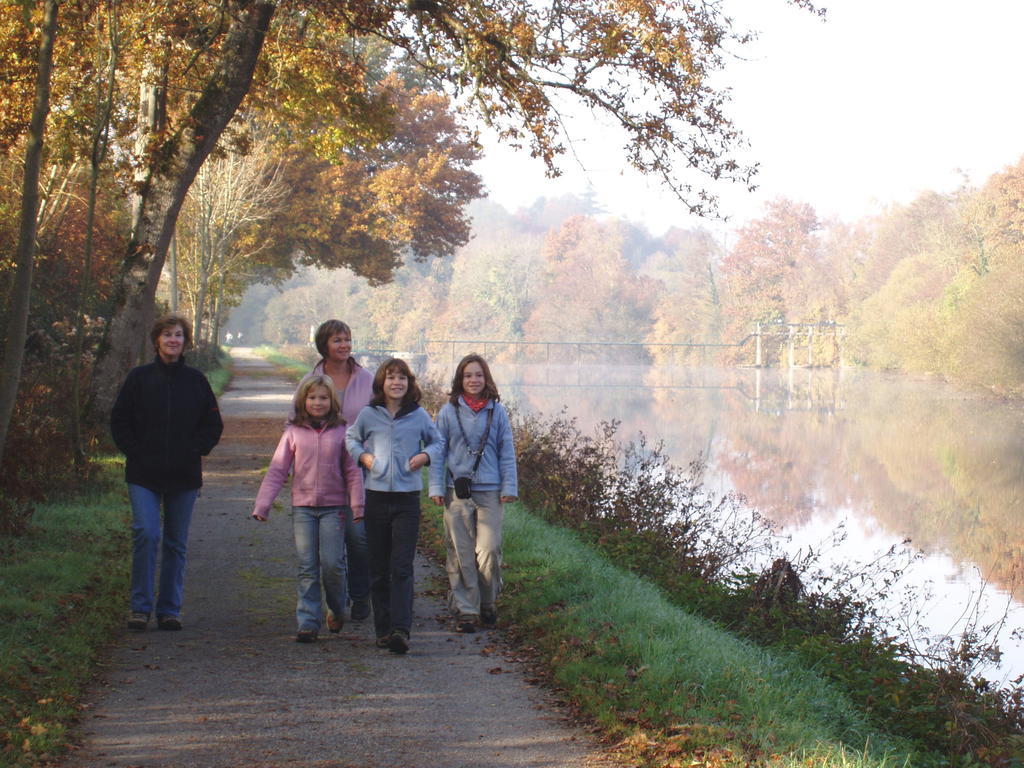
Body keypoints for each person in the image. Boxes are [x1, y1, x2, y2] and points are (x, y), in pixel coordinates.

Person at [110, 313, 223, 632]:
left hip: (184, 475)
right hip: (143, 473)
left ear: (185, 342)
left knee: (176, 542)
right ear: (156, 340)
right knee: (146, 534)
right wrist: (136, 449)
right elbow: (119, 420)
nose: (173, 340)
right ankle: (139, 608)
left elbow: (213, 424)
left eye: (178, 335)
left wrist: (195, 449)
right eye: (167, 335)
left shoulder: (196, 381)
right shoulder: (139, 378)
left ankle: (170, 609)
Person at [252, 375, 364, 643]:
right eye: (312, 397)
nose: (317, 402)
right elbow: (278, 470)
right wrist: (263, 505)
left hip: (334, 508)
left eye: (323, 398)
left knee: (333, 564)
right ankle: (308, 621)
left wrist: (358, 504)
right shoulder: (293, 432)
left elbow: (353, 472)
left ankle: (337, 607)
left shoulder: (342, 431)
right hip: (303, 508)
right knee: (307, 566)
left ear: (332, 402)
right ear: (304, 401)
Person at [346, 358, 442, 654]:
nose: (396, 383)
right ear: (382, 383)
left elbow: (438, 442)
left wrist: (424, 456)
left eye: (402, 378)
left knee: (401, 566)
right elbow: (351, 438)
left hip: (406, 500)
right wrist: (364, 458)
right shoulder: (369, 414)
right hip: (375, 497)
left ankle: (401, 629)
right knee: (378, 567)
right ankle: (383, 629)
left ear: (409, 383)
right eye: (391, 378)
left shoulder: (418, 415)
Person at [429, 354, 518, 634]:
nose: (473, 380)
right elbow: (437, 452)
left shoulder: (497, 412)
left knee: (488, 550)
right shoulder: (447, 412)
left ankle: (488, 600)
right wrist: (435, 487)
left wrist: (509, 487)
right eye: (468, 375)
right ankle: (467, 609)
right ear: (460, 379)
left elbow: (506, 452)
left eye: (478, 375)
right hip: (456, 490)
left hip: (490, 490)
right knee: (461, 553)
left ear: (486, 378)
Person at [293, 320, 374, 622]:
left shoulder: (366, 379)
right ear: (324, 344)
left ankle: (360, 594)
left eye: (348, 339)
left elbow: (380, 417)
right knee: (326, 550)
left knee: (358, 537)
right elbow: (294, 422)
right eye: (338, 340)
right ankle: (332, 604)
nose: (344, 345)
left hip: (359, 468)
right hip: (323, 473)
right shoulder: (311, 380)